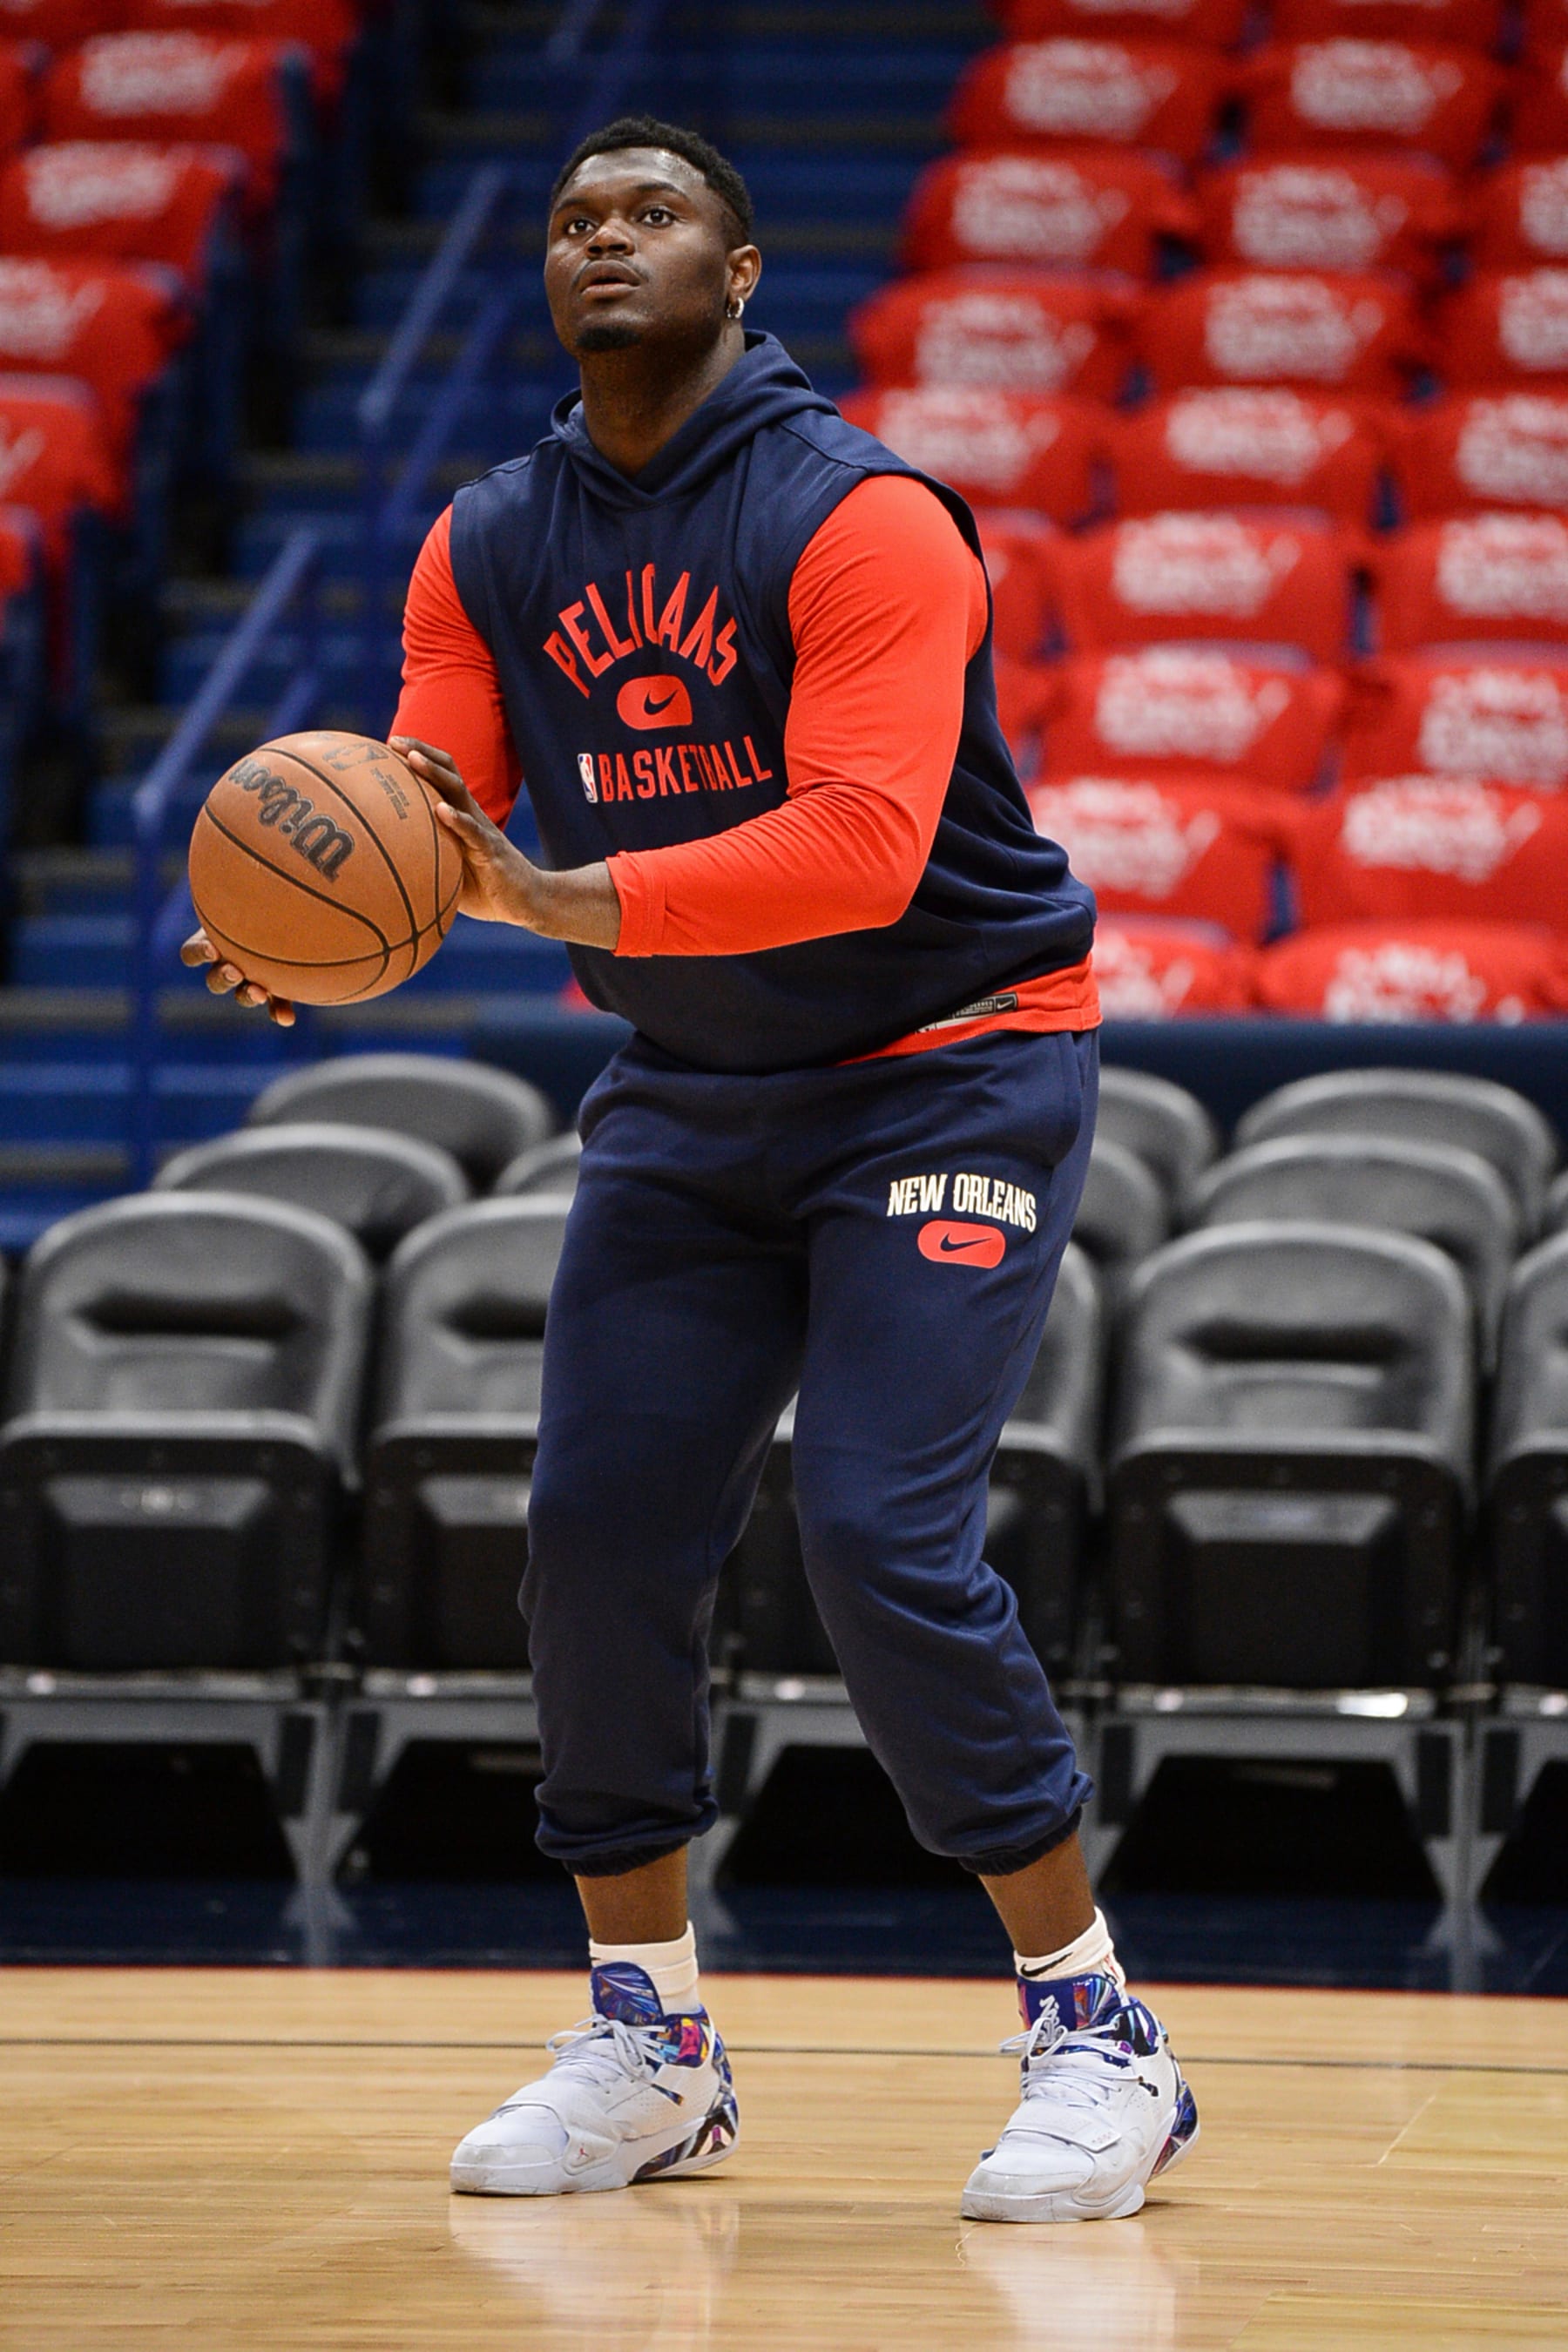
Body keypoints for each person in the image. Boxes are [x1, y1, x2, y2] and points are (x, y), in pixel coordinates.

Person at [185, 114, 1198, 2224]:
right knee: (597, 1530)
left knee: (880, 1534)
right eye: (572, 221)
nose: (601, 241)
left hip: (953, 1069)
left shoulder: (863, 516)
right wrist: (319, 897)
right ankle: (653, 2040)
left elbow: (859, 844)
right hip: (698, 1091)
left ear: (741, 274)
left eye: (650, 214)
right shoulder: (486, 535)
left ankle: (1098, 2029)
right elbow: (430, 786)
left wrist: (544, 900)